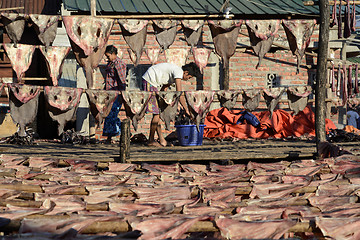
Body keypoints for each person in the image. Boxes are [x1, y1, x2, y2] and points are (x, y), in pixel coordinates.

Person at [142, 62, 201, 147]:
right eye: (189, 77)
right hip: (149, 81)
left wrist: (167, 102)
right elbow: (179, 94)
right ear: (186, 72)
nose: (188, 79)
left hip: (151, 82)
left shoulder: (174, 73)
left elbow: (164, 89)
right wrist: (187, 110)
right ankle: (150, 140)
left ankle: (162, 140)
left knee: (157, 113)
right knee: (156, 114)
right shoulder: (178, 72)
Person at [103, 45, 126, 143]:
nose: (107, 58)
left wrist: (122, 95)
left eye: (108, 56)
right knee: (108, 115)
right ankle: (109, 137)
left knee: (112, 115)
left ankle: (124, 134)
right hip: (109, 94)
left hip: (116, 94)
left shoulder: (119, 64)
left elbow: (122, 80)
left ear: (113, 54)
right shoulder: (111, 63)